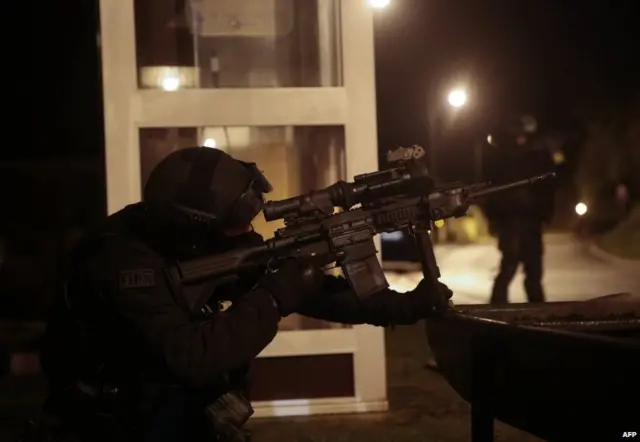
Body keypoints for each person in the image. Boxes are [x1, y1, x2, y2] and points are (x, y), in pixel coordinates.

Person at [36, 147, 453, 442]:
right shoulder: (123, 264)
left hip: (164, 409)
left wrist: (398, 306)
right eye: (235, 228)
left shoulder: (191, 242)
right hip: (113, 423)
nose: (250, 236)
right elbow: (192, 357)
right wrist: (273, 298)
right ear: (195, 229)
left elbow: (308, 291)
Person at [483, 116, 555, 304]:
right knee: (509, 268)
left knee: (533, 274)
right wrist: (496, 219)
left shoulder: (534, 156)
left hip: (530, 220)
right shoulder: (500, 158)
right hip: (511, 221)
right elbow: (492, 192)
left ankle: (538, 313)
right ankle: (496, 314)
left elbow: (546, 188)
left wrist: (544, 213)